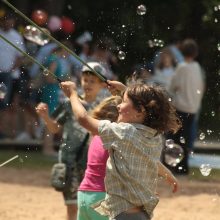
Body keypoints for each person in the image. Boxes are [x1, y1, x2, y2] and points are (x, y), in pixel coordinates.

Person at [61, 79, 181, 220]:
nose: (118, 106)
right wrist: (125, 92)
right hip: (140, 215)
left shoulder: (123, 132)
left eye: (123, 102)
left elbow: (83, 119)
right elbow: (142, 109)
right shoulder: (154, 136)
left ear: (140, 111)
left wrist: (73, 95)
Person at [36, 61, 109, 220]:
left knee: (93, 206)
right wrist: (45, 117)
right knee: (72, 206)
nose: (88, 84)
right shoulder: (70, 104)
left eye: (93, 81)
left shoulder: (105, 107)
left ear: (102, 85)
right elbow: (55, 128)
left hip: (93, 164)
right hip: (69, 161)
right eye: (85, 79)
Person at [168, 39, 205, 175]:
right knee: (187, 138)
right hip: (193, 108)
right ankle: (184, 167)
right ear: (195, 53)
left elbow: (172, 87)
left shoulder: (181, 67)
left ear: (182, 52)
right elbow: (201, 87)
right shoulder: (197, 67)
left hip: (180, 108)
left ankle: (172, 166)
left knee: (175, 138)